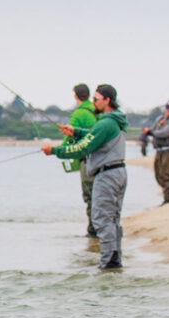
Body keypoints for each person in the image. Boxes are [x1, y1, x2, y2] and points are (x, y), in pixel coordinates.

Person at [42, 83, 128, 269]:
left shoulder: (106, 122)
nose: (93, 102)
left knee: (102, 219)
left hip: (107, 175)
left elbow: (83, 147)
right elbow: (93, 135)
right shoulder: (113, 121)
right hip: (117, 172)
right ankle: (114, 260)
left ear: (107, 100)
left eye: (96, 99)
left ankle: (108, 263)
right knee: (112, 219)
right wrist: (75, 131)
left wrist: (54, 150)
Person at [61, 83, 98, 237]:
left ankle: (93, 229)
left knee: (90, 194)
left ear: (76, 96)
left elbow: (70, 138)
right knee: (100, 193)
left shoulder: (78, 115)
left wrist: (59, 151)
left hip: (88, 160)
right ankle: (100, 226)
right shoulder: (100, 110)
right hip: (103, 159)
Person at [142, 100, 169, 204]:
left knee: (167, 174)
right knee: (158, 174)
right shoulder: (160, 119)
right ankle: (166, 194)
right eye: (167, 108)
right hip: (159, 151)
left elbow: (165, 133)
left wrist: (151, 133)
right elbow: (155, 129)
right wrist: (148, 131)